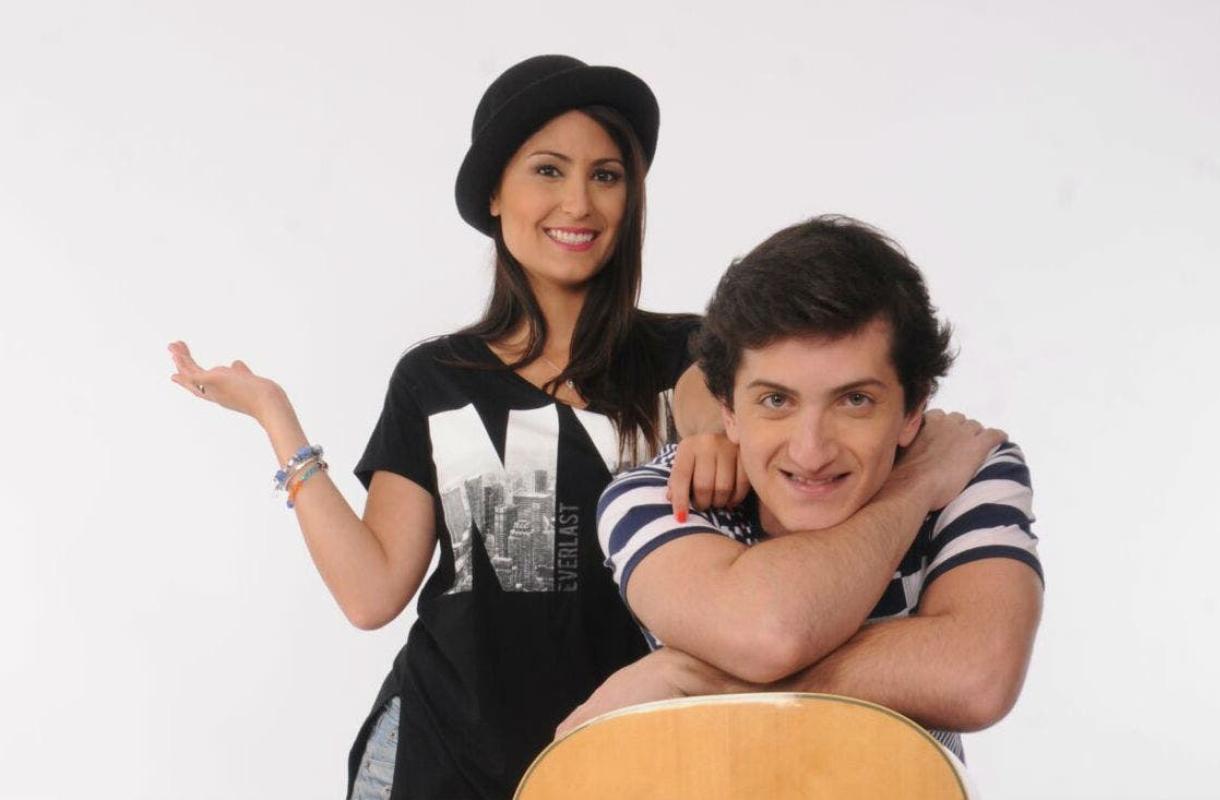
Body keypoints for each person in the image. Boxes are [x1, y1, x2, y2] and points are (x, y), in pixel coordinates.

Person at [167, 55, 739, 800]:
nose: (578, 202)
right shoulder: (434, 380)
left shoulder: (687, 354)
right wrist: (275, 415)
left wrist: (713, 435)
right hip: (434, 761)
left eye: (606, 175)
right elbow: (372, 593)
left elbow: (706, 405)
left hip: (626, 766)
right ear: (495, 192)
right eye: (548, 170)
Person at [563, 215, 1044, 764]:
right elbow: (770, 634)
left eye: (855, 401)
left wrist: (701, 681)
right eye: (776, 401)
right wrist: (913, 489)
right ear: (728, 410)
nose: (811, 451)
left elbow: (977, 678)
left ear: (914, 409)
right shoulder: (662, 494)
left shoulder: (969, 465)